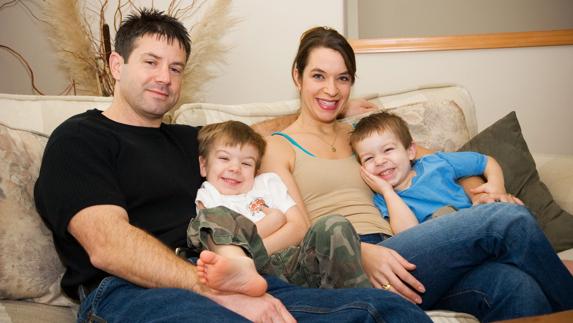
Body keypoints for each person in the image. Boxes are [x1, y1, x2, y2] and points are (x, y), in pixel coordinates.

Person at [34, 9, 433, 323]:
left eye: (175, 68)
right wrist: (214, 289)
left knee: (387, 310)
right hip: (128, 290)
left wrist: (329, 115)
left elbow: (250, 136)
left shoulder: (190, 142)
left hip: (221, 272)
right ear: (117, 65)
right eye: (151, 62)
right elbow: (108, 246)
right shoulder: (79, 138)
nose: (164, 77)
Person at [258, 26, 573, 322]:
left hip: (409, 247)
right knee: (508, 219)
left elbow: (437, 164)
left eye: (342, 79)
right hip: (348, 261)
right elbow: (299, 228)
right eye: (318, 76)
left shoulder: (361, 135)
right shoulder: (277, 146)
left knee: (516, 286)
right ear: (297, 77)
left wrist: (481, 193)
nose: (331, 89)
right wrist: (360, 252)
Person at [188, 120, 369, 297]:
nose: (235, 168)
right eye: (224, 158)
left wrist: (252, 252)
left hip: (293, 261)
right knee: (213, 218)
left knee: (334, 224)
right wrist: (274, 221)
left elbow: (299, 229)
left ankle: (362, 298)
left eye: (246, 163)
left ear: (256, 170)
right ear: (204, 166)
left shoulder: (268, 183)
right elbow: (221, 243)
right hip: (252, 272)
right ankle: (242, 267)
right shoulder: (209, 195)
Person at [350, 111, 516, 234]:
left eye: (387, 149)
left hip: (477, 224)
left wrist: (496, 187)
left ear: (410, 151)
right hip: (445, 243)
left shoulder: (436, 163)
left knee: (514, 213)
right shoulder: (384, 200)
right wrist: (387, 192)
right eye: (368, 158)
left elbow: (485, 161)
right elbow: (409, 235)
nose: (379, 161)